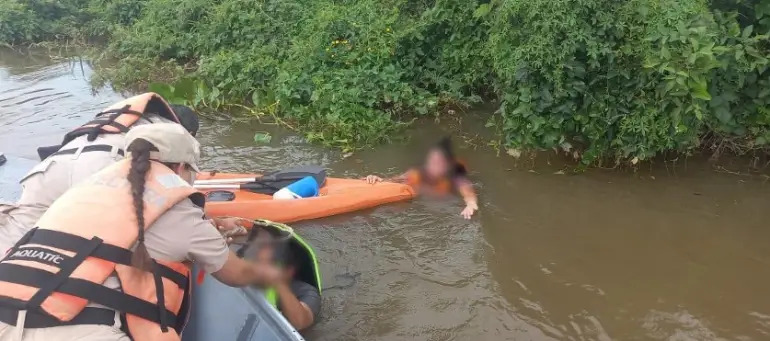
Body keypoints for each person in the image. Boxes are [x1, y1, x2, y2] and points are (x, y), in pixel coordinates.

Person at [0, 123, 280, 341]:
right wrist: (269, 273)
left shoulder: (88, 187)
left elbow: (120, 234)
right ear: (181, 167)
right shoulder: (179, 209)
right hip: (72, 330)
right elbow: (237, 275)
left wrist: (209, 228)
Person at [0, 93, 206, 254]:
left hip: (48, 171)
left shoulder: (126, 119)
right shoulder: (174, 136)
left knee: (18, 245)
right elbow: (178, 190)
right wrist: (200, 224)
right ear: (188, 132)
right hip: (102, 170)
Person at [365, 137, 479, 219]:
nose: (433, 165)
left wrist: (471, 204)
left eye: (439, 162)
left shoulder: (455, 174)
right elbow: (393, 181)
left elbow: (468, 192)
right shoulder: (417, 173)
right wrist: (377, 179)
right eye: (432, 161)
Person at [246, 233, 321, 331]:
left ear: (289, 271)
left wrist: (278, 282)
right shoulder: (244, 276)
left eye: (268, 265)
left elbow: (301, 322)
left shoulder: (307, 292)